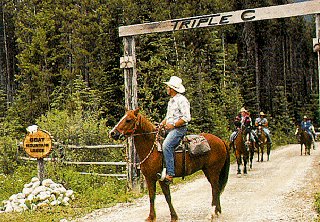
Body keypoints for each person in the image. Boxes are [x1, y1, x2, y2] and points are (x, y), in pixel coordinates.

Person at [159, 76, 191, 184]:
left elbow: (186, 117)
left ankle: (170, 174)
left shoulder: (182, 100)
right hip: (170, 129)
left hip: (179, 129)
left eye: (167, 87)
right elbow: (168, 117)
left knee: (166, 145)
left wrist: (173, 125)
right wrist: (161, 124)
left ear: (172, 89)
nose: (166, 88)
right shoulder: (171, 101)